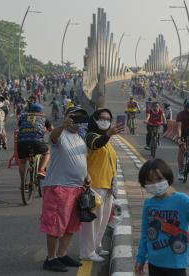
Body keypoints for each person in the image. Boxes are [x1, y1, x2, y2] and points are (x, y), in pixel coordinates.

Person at [135, 159, 189, 276]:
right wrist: (140, 258)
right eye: (150, 181)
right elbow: (145, 234)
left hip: (177, 265)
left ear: (167, 178)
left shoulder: (181, 200)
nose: (155, 184)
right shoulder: (148, 204)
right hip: (154, 263)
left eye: (159, 179)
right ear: (144, 184)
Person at [40, 106, 91, 272]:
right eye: (73, 116)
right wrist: (62, 125)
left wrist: (87, 175)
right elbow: (52, 138)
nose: (76, 120)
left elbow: (81, 159)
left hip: (77, 187)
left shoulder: (80, 137)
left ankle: (62, 254)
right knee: (56, 223)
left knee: (71, 225)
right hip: (59, 187)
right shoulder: (61, 134)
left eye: (80, 117)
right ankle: (51, 258)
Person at [79, 108, 124, 262]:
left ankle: (96, 246)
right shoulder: (91, 136)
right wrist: (108, 134)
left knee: (103, 220)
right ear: (95, 119)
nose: (105, 120)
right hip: (95, 185)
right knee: (93, 222)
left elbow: (111, 163)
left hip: (107, 186)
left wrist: (114, 183)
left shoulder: (107, 140)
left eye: (108, 118)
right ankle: (87, 251)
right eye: (102, 117)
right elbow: (96, 145)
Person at [17, 103, 52, 183]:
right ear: (41, 112)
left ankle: (23, 182)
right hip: (37, 141)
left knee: (22, 162)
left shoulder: (23, 116)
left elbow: (20, 126)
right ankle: (41, 170)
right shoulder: (43, 117)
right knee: (47, 153)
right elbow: (51, 129)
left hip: (22, 142)